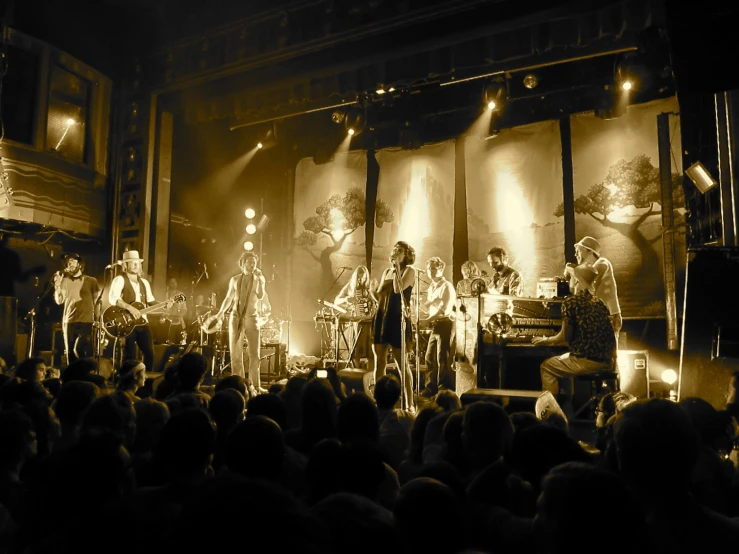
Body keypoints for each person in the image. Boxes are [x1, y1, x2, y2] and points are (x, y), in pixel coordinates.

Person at [533, 263, 617, 395]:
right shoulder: (600, 303)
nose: (569, 282)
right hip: (607, 363)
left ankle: (551, 412)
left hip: (586, 362)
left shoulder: (571, 302)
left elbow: (564, 337)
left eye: (570, 278)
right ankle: (568, 407)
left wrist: (545, 340)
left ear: (576, 280)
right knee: (563, 360)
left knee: (547, 366)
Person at [372, 241, 417, 411]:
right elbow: (381, 296)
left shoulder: (409, 271)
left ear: (406, 255)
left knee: (401, 364)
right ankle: (380, 402)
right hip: (382, 317)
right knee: (379, 362)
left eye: (400, 251)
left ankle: (409, 404)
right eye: (394, 250)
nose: (396, 252)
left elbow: (398, 290)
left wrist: (397, 267)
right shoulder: (386, 272)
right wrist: (373, 293)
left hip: (397, 319)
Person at [214, 252, 267, 393]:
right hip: (236, 317)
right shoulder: (235, 279)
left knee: (254, 354)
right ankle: (239, 385)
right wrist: (220, 313)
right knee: (236, 353)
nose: (252, 264)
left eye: (254, 262)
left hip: (252, 318)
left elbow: (261, 296)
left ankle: (255, 385)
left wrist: (262, 281)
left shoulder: (258, 279)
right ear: (243, 263)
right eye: (249, 262)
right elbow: (228, 298)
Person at [108, 250, 159, 372]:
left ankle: (145, 380)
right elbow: (113, 299)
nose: (136, 265)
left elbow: (151, 300)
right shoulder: (119, 279)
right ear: (125, 265)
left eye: (138, 263)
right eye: (132, 263)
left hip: (143, 322)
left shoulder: (144, 282)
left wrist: (166, 304)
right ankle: (126, 380)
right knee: (129, 356)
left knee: (150, 354)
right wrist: (130, 308)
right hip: (127, 323)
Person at [565, 236, 622, 339]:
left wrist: (571, 270)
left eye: (579, 251)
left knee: (606, 353)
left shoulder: (603, 263)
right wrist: (571, 277)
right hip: (592, 318)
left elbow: (589, 279)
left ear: (590, 251)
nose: (575, 254)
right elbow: (574, 292)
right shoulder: (580, 272)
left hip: (609, 318)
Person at [52, 253, 100, 362]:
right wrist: (57, 286)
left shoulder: (91, 281)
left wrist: (97, 319)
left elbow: (96, 302)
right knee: (69, 352)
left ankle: (85, 373)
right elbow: (59, 301)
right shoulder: (65, 281)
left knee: (82, 349)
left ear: (80, 264)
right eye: (69, 262)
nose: (70, 263)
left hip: (87, 321)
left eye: (73, 260)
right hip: (70, 321)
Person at [420, 257, 457, 398]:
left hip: (444, 323)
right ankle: (431, 387)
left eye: (434, 268)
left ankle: (443, 389)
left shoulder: (446, 286)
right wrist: (419, 304)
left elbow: (444, 310)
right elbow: (429, 308)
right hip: (435, 325)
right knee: (429, 356)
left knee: (442, 357)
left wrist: (427, 320)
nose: (430, 271)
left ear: (441, 269)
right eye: (429, 268)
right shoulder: (431, 288)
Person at [165, 278, 188, 344]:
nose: (173, 284)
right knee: (169, 343)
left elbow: (185, 309)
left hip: (179, 322)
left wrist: (180, 315)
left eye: (175, 282)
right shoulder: (166, 294)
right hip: (168, 323)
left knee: (181, 343)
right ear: (168, 284)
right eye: (171, 282)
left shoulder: (181, 294)